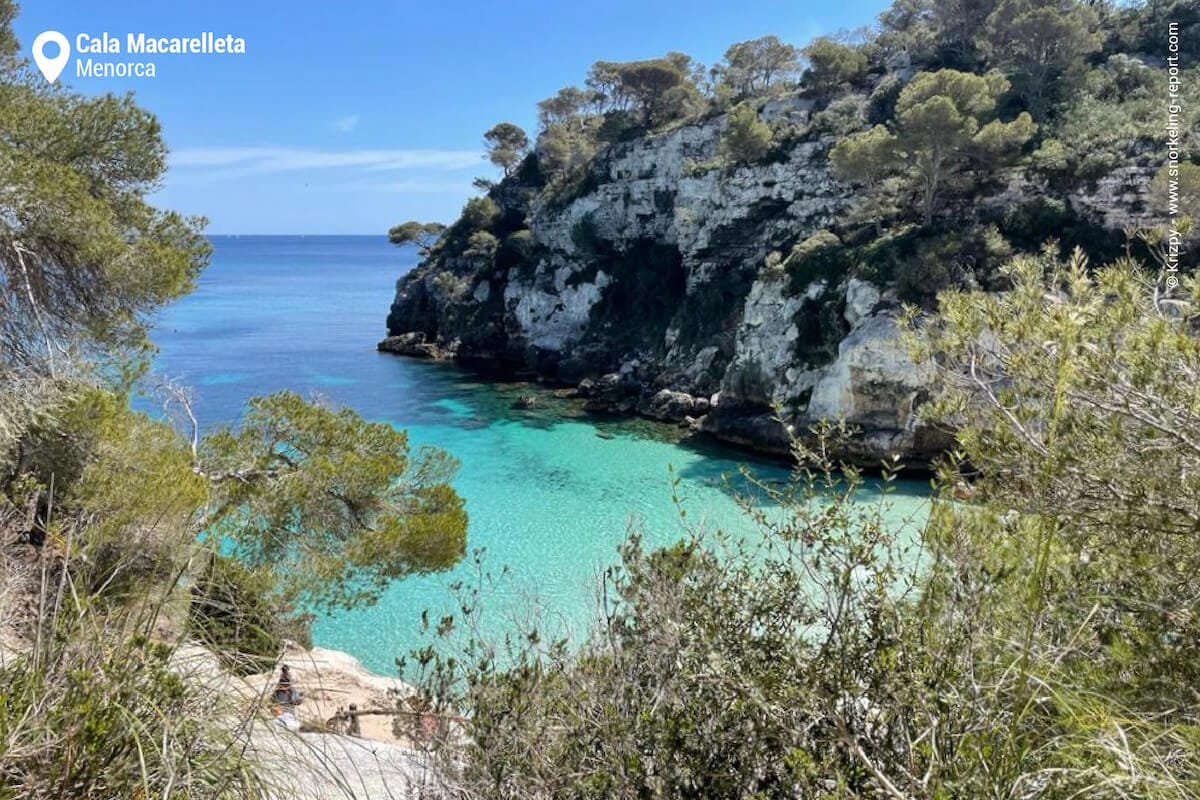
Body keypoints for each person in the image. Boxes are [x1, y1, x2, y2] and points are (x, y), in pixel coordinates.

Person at [272, 664, 303, 730]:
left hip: (289, 715)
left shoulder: (293, 691)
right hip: (280, 716)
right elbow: (272, 702)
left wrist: (294, 700)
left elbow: (298, 702)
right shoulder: (278, 691)